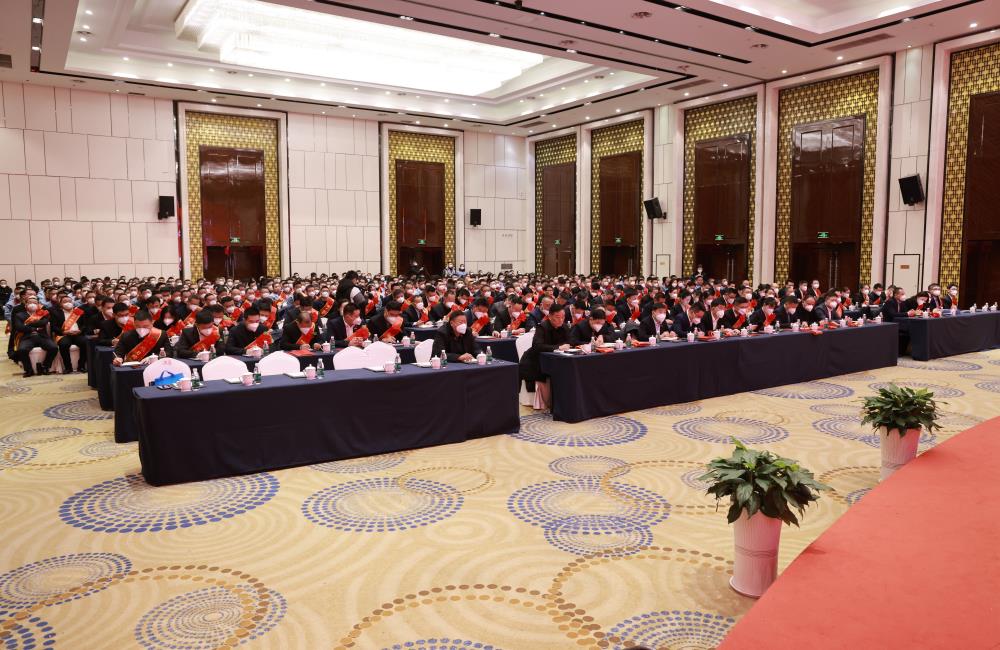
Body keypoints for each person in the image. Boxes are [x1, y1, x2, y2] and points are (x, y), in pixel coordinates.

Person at [519, 307, 571, 411]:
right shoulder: (542, 327)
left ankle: (564, 401)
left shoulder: (564, 327)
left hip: (556, 360)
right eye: (558, 317)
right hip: (534, 361)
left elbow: (570, 342)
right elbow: (537, 346)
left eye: (563, 317)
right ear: (550, 316)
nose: (561, 320)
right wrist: (558, 347)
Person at [12, 294, 57, 377]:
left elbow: (44, 322)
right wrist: (35, 328)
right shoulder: (19, 315)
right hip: (27, 337)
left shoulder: (43, 313)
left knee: (53, 348)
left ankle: (45, 367)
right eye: (30, 303)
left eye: (35, 303)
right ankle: (28, 370)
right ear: (26, 305)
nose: (32, 304)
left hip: (42, 336)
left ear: (38, 305)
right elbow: (19, 327)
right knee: (22, 350)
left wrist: (28, 324)